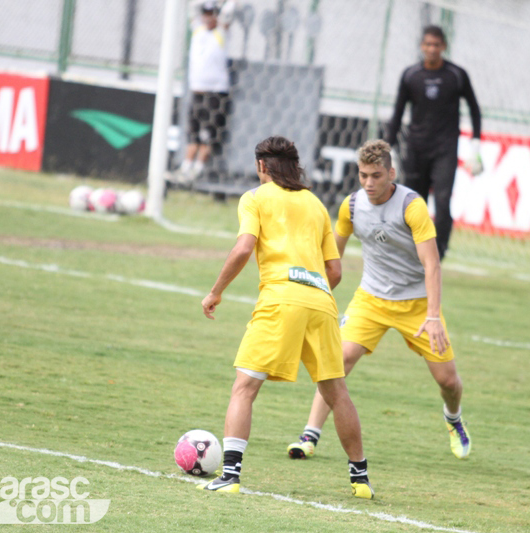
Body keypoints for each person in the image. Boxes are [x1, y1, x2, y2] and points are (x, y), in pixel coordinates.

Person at [198, 136, 374, 499]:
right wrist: (311, 290)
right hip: (322, 302)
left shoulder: (255, 198)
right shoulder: (316, 204)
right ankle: (361, 481)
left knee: (244, 387)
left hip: (280, 300)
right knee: (337, 393)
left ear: (262, 166)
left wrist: (215, 291)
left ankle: (230, 476)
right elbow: (335, 271)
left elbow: (244, 248)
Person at [286, 139, 471, 462]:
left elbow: (432, 264)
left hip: (417, 303)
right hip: (371, 298)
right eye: (363, 175)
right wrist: (314, 293)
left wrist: (433, 316)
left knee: (448, 381)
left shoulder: (411, 206)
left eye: (376, 175)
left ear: (391, 173)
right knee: (339, 360)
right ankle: (309, 436)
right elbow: (333, 257)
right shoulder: (351, 206)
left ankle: (453, 418)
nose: (369, 183)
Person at [385, 25, 483, 260]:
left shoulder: (456, 75)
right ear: (422, 46)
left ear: (444, 47)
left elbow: (474, 109)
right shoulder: (411, 75)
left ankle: (439, 252)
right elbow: (397, 113)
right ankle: (410, 249)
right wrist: (388, 150)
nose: (432, 49)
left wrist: (476, 145)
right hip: (416, 148)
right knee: (413, 202)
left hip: (445, 149)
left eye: (436, 45)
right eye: (428, 44)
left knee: (443, 200)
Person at [176, 1, 231, 183]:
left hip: (215, 92)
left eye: (211, 13)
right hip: (197, 91)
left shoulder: (220, 33)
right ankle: (185, 168)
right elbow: (191, 8)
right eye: (205, 13)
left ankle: (197, 170)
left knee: (208, 134)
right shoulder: (197, 31)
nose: (208, 17)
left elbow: (229, 13)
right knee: (192, 132)